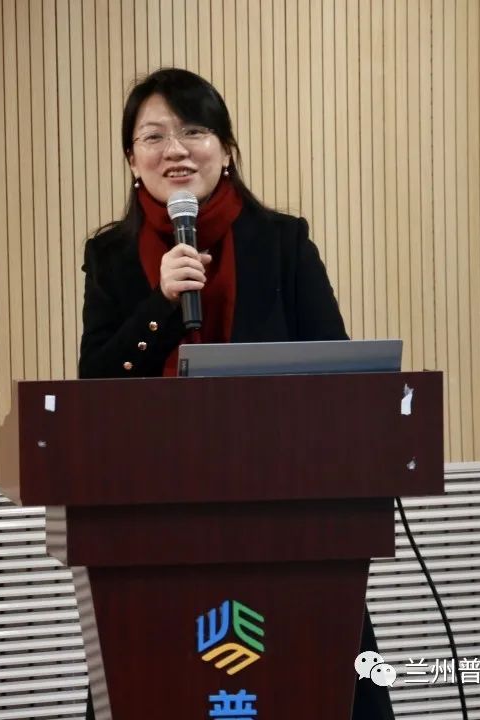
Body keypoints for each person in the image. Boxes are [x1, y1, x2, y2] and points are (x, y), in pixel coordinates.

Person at [77, 68, 394, 720]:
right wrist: (160, 307)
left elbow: (340, 374)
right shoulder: (110, 256)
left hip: (287, 519)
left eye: (194, 131)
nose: (175, 150)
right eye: (154, 136)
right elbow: (94, 390)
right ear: (132, 159)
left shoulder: (281, 241)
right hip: (153, 525)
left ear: (224, 148)